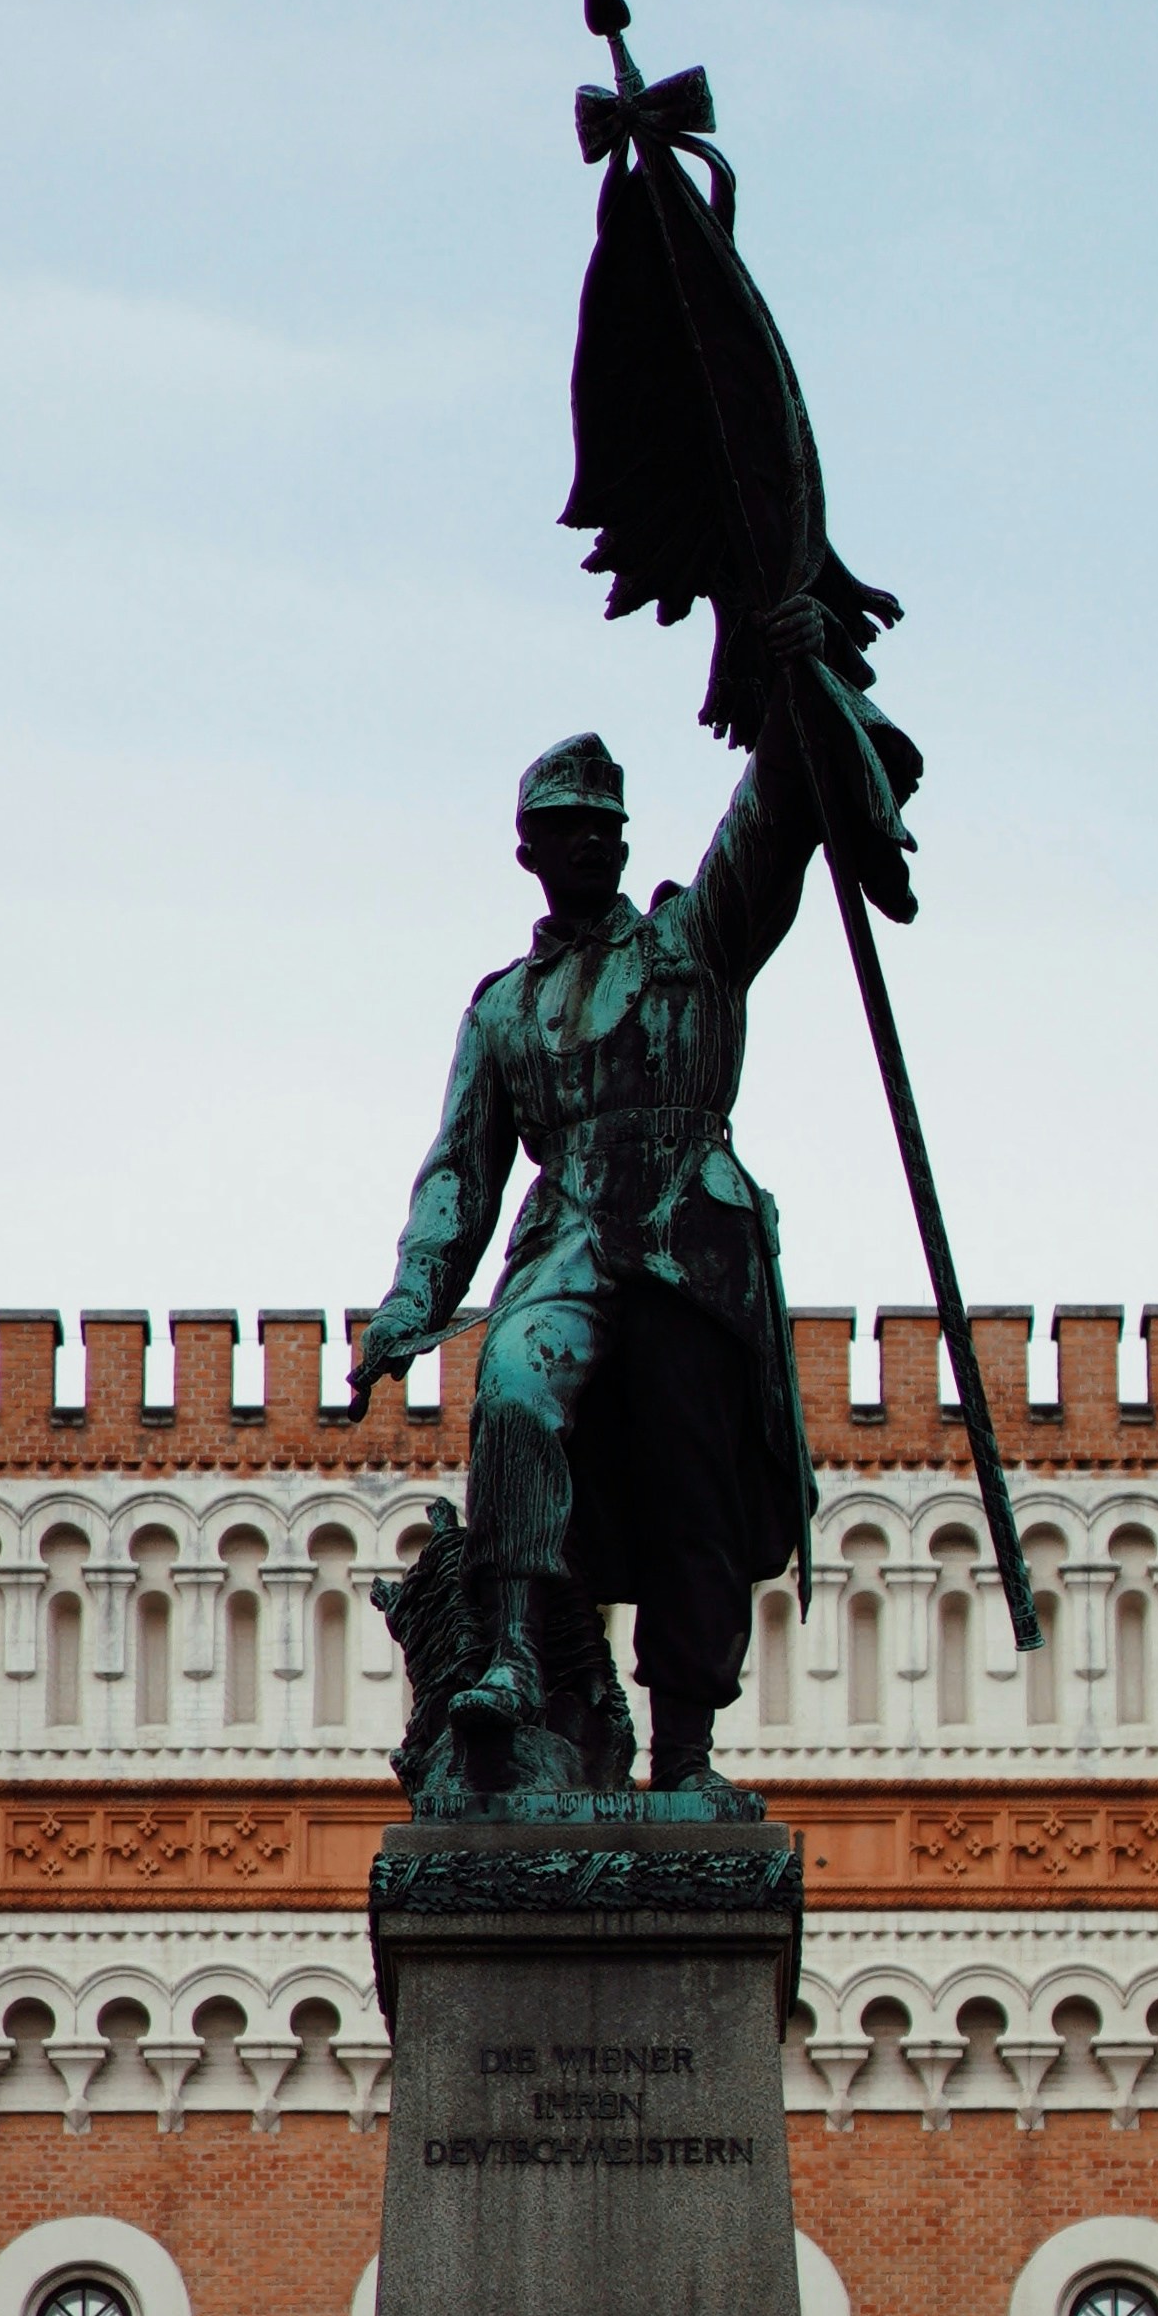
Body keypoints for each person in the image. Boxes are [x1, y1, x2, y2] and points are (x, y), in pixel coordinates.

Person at [350, 704, 837, 1803]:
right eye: (569, 826)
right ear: (529, 847)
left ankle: (687, 1760)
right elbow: (460, 1174)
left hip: (689, 1247)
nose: (594, 840)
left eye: (607, 824)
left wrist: (787, 699)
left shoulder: (691, 941)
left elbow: (766, 828)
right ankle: (519, 1655)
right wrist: (410, 1299)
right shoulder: (504, 1009)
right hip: (566, 1235)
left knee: (691, 1496)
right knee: (514, 1386)